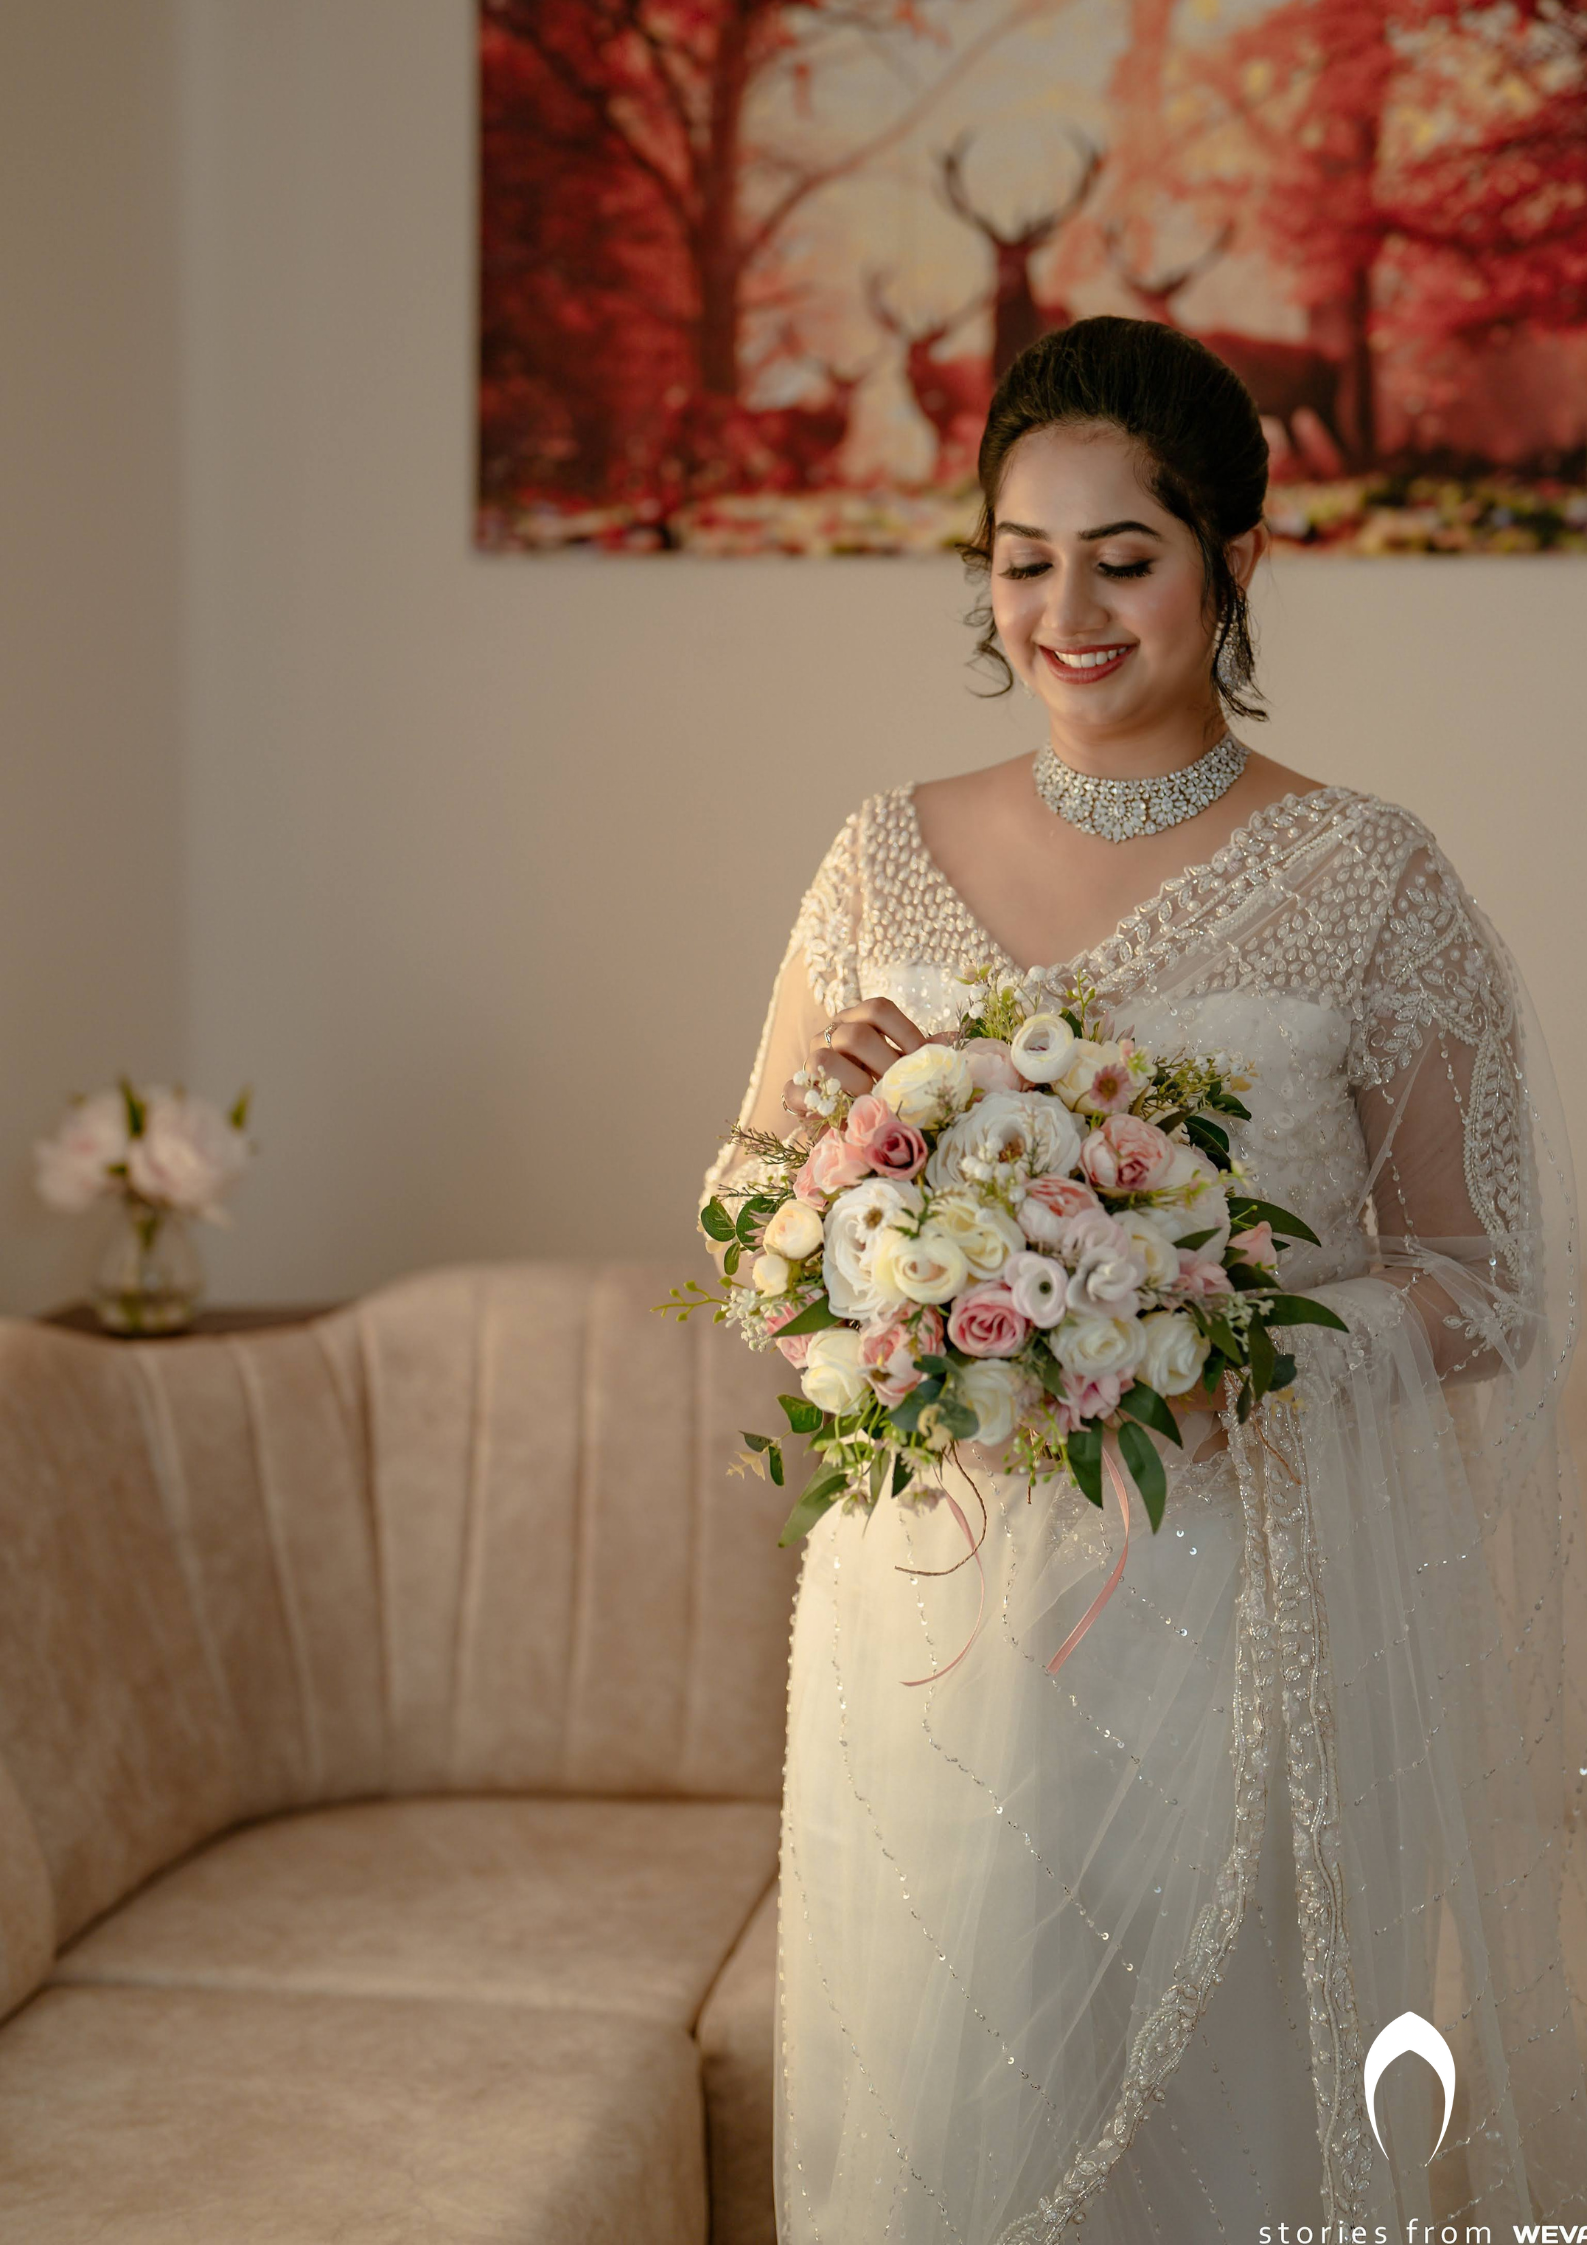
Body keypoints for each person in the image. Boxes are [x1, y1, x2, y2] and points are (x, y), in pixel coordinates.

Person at [703, 317, 1586, 2241]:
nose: (1067, 611)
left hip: (1247, 1610)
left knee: (1210, 2112)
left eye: (1125, 556)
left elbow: (1481, 1279)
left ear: (1235, 564)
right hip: (923, 1608)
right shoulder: (880, 857)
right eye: (1024, 561)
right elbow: (750, 1230)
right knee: (953, 2110)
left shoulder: (1369, 877)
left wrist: (1205, 1344)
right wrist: (835, 1172)